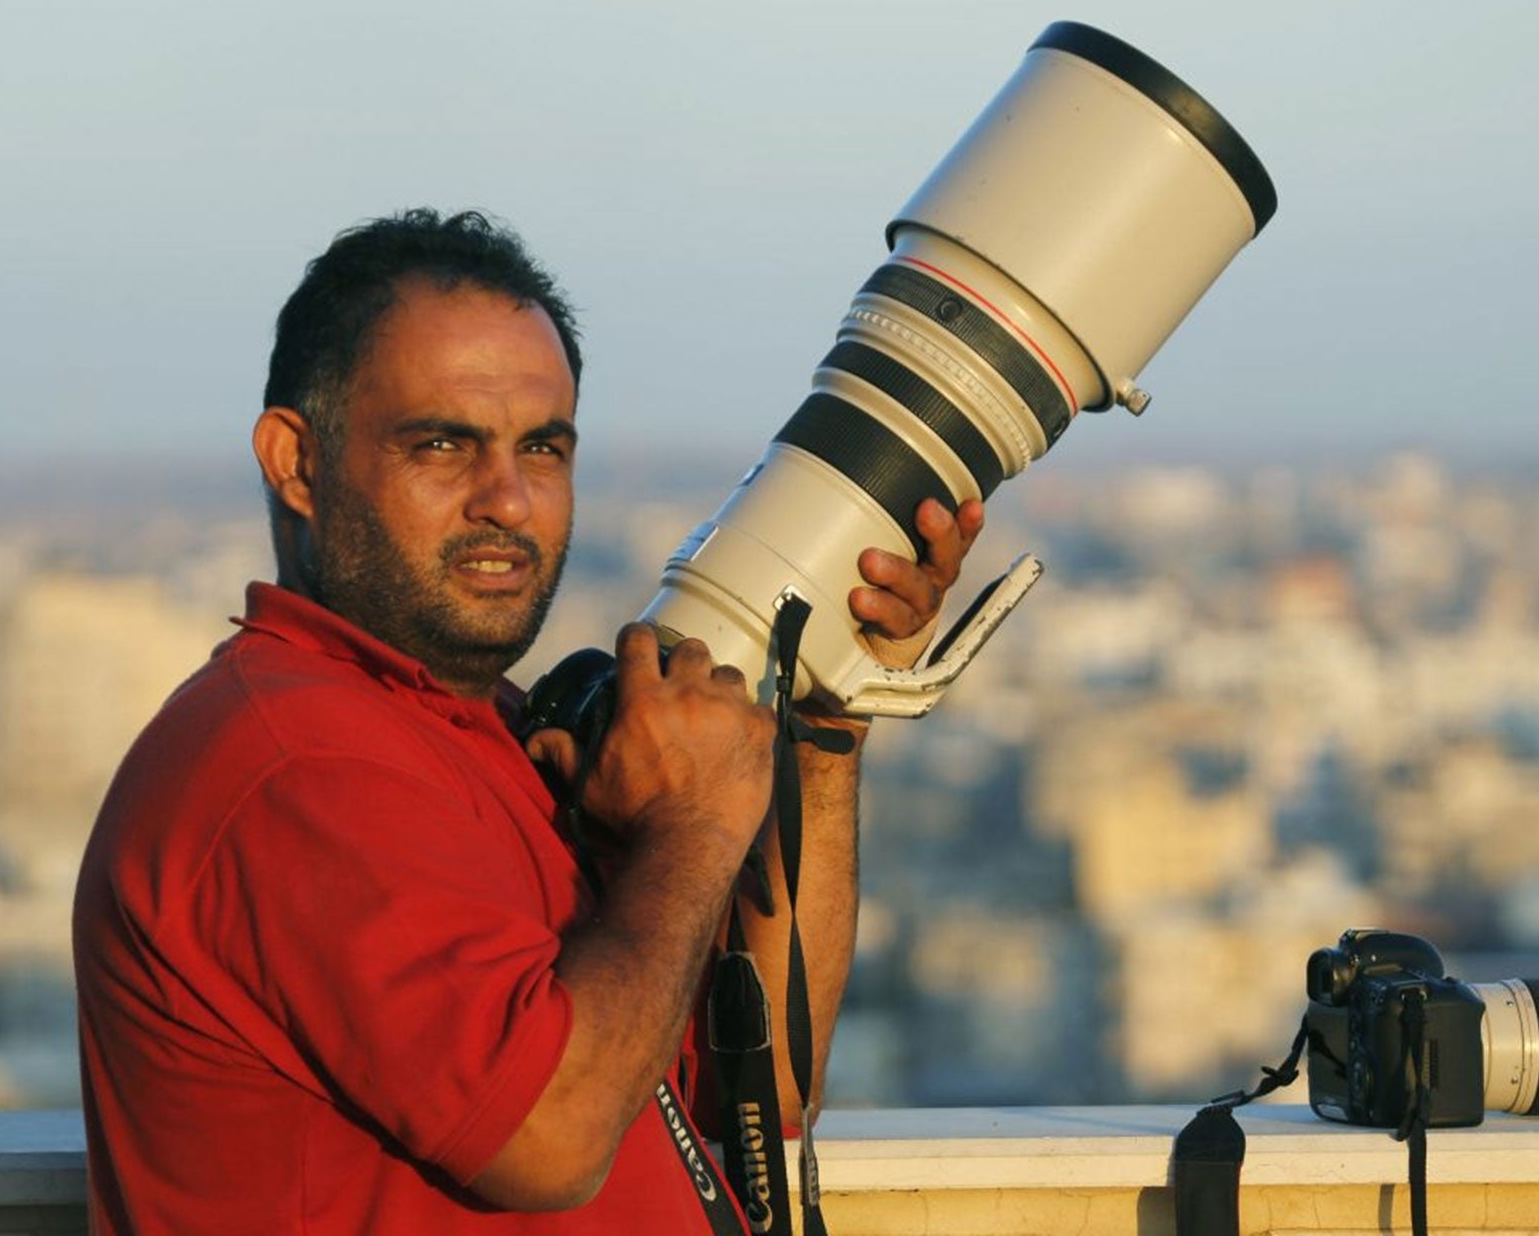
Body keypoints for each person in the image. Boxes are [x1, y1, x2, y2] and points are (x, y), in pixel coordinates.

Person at [72, 209, 984, 1233]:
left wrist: (824, 717)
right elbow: (548, 1136)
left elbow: (757, 1084)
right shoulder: (295, 760)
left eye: (541, 448)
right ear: (296, 461)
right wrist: (691, 828)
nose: (506, 500)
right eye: (442, 445)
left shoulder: (480, 738)